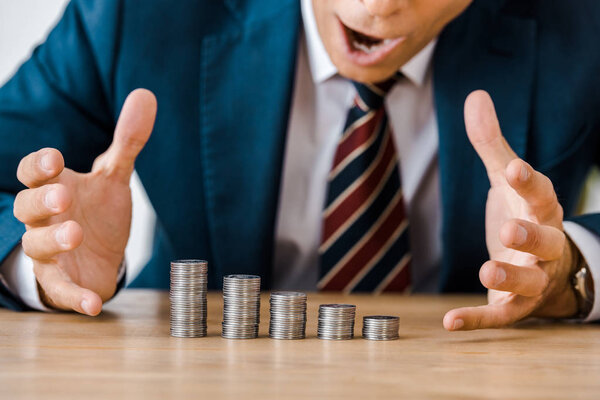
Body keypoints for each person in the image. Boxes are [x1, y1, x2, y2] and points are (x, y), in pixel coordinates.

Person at [0, 0, 598, 331]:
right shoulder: (138, 13)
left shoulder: (583, 26)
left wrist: (572, 268)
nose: (378, 7)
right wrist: (36, 259)